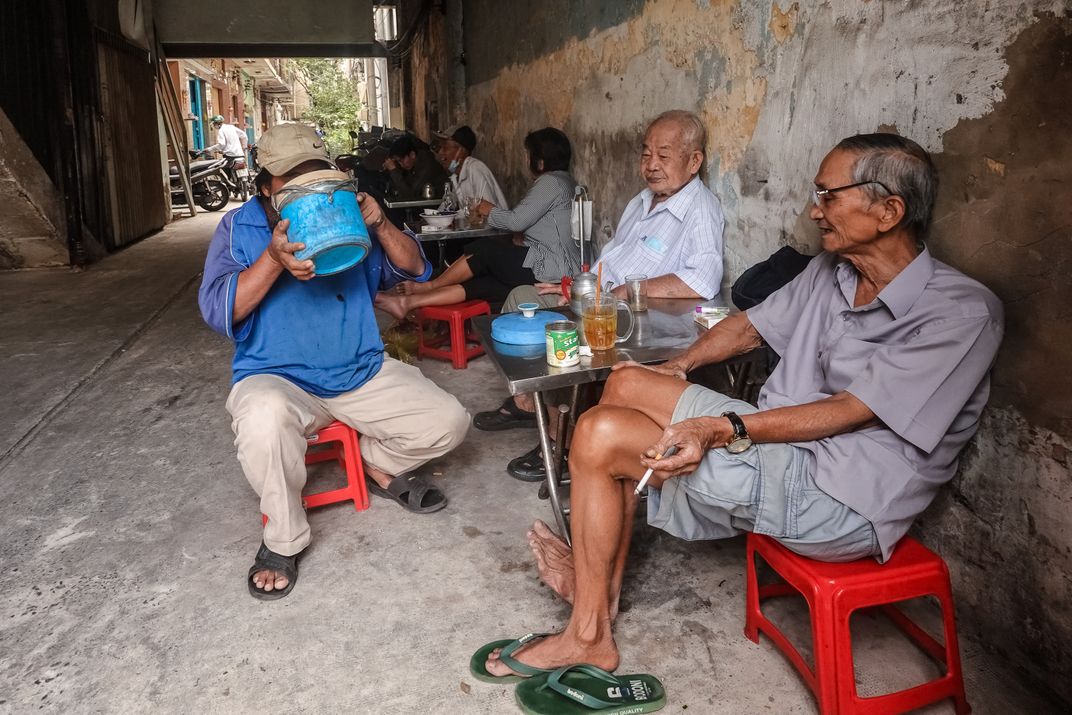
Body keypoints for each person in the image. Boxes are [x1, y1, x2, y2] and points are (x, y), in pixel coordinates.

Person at [474, 133, 1003, 678]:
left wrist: (718, 427)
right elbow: (749, 326)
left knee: (599, 434)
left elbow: (849, 410)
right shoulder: (833, 270)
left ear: (889, 211)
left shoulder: (961, 312)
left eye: (828, 196)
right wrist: (677, 367)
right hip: (781, 446)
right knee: (628, 381)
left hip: (841, 493)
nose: (813, 211)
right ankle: (597, 595)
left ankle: (589, 624)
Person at [198, 123, 470, 601]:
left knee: (448, 422)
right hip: (276, 377)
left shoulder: (347, 210)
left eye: (314, 173)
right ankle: (283, 539)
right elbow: (220, 311)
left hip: (359, 369)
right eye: (290, 178)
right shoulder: (238, 228)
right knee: (261, 418)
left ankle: (373, 463)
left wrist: (381, 224)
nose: (306, 187)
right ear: (266, 187)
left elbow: (416, 268)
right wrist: (273, 260)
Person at [474, 110, 726, 481]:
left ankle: (561, 443)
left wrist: (626, 291)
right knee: (521, 300)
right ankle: (533, 407)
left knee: (562, 338)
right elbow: (612, 258)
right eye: (646, 154)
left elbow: (702, 280)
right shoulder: (642, 201)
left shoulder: (699, 209)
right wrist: (574, 285)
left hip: (633, 321)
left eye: (663, 155)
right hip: (599, 301)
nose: (651, 165)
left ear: (694, 161)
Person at [375, 127, 579, 319]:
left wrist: (489, 210)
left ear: (540, 161)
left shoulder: (551, 182)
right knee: (484, 284)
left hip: (551, 267)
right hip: (552, 264)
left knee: (484, 250)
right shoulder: (564, 182)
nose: (526, 160)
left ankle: (431, 285)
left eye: (528, 154)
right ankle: (407, 303)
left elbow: (516, 221)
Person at [433, 124, 508, 210]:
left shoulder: (475, 169)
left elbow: (489, 212)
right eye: (440, 148)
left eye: (445, 148)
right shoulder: (456, 176)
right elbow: (447, 207)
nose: (440, 152)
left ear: (461, 151)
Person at [383, 134, 450, 201]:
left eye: (401, 160)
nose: (401, 164)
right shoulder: (412, 164)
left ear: (412, 155)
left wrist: (394, 171)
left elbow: (411, 195)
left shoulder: (427, 164)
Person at [204, 114, 248, 186]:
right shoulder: (231, 127)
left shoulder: (221, 130)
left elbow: (221, 144)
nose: (214, 126)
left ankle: (228, 186)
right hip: (240, 155)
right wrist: (244, 147)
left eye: (214, 124)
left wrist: (209, 149)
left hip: (230, 156)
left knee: (224, 173)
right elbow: (244, 135)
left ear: (217, 124)